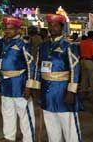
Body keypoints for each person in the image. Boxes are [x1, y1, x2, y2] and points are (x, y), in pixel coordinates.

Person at [30, 14, 83, 142]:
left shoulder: (69, 45)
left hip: (63, 91)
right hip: (46, 91)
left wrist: (71, 91)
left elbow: (75, 69)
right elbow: (37, 67)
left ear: (61, 27)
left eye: (55, 25)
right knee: (51, 124)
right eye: (50, 25)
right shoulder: (43, 46)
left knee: (69, 125)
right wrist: (35, 87)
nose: (52, 28)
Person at [0, 16, 36, 142]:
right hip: (5, 83)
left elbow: (31, 65)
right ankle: (9, 137)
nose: (8, 31)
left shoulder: (23, 44)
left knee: (24, 112)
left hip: (19, 82)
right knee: (7, 111)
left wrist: (29, 86)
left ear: (18, 30)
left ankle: (29, 139)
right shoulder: (0, 43)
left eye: (11, 29)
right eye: (6, 29)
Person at [79, 31, 93, 98]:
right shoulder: (92, 43)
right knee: (92, 78)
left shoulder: (82, 42)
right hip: (89, 61)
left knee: (84, 78)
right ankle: (92, 94)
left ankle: (83, 93)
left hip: (82, 61)